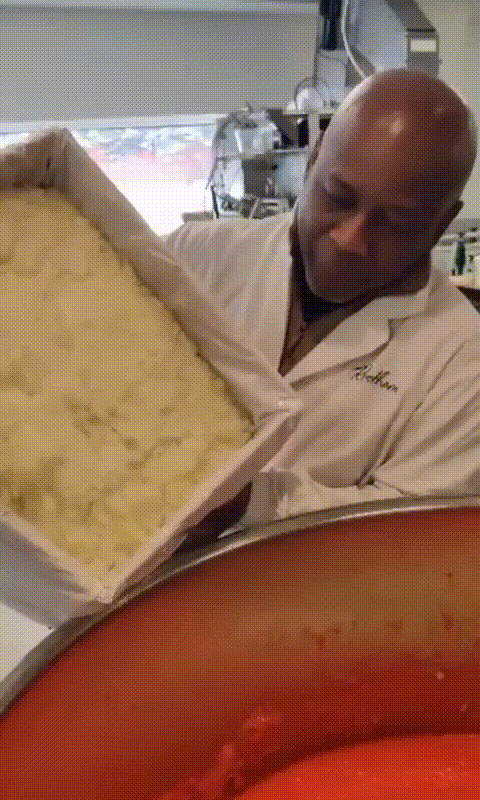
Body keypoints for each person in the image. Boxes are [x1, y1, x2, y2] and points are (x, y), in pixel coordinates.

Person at [165, 68, 479, 534]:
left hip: (289, 578)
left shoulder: (464, 361)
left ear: (441, 224)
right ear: (312, 163)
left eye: (395, 222)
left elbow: (414, 529)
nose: (350, 239)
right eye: (338, 196)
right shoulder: (196, 256)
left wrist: (251, 504)